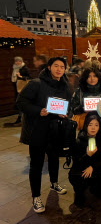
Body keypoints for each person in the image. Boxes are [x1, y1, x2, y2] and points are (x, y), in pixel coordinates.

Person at [16, 57, 71, 213]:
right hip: (37, 130)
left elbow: (67, 106)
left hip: (55, 130)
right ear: (49, 67)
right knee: (36, 164)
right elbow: (21, 102)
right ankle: (36, 197)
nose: (59, 69)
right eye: (56, 66)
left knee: (54, 159)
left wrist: (65, 114)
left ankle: (54, 183)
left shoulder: (64, 86)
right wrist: (38, 110)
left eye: (62, 67)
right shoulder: (36, 84)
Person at [69, 114, 101, 207]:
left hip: (97, 169)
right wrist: (88, 155)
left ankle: (95, 186)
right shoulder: (80, 140)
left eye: (96, 125)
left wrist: (93, 167)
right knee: (79, 198)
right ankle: (79, 192)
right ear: (86, 126)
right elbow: (77, 162)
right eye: (90, 125)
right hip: (81, 170)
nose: (93, 128)